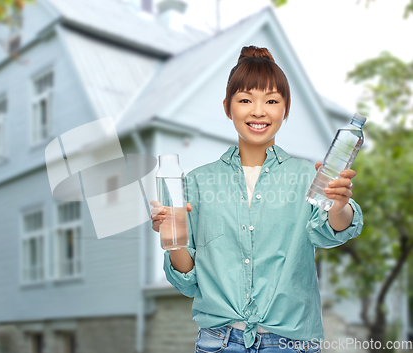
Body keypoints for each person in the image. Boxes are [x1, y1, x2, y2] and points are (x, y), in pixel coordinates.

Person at [150, 46, 364, 353]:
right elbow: (187, 282)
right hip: (219, 343)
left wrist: (339, 205)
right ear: (228, 107)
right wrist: (174, 239)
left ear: (285, 108)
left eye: (272, 101)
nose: (259, 111)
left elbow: (331, 232)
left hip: (292, 343)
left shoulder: (308, 175)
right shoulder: (196, 182)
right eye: (246, 100)